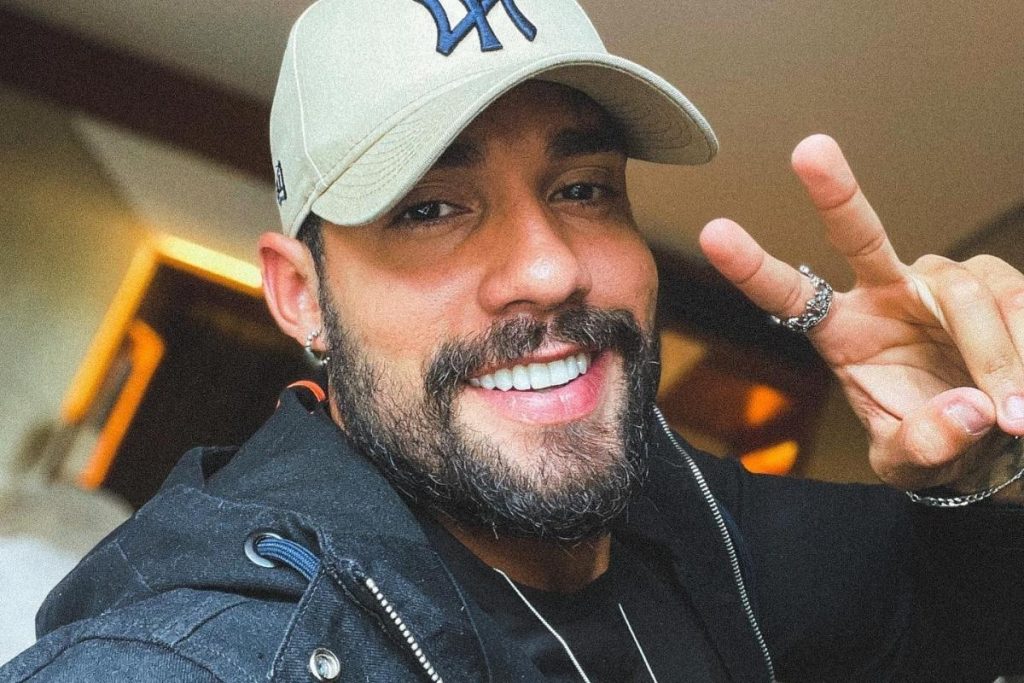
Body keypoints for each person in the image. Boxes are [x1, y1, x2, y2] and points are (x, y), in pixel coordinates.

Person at [3, 0, 1024, 680]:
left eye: (582, 188)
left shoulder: (696, 513)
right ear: (300, 295)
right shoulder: (208, 650)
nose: (547, 268)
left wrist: (983, 447)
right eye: (430, 208)